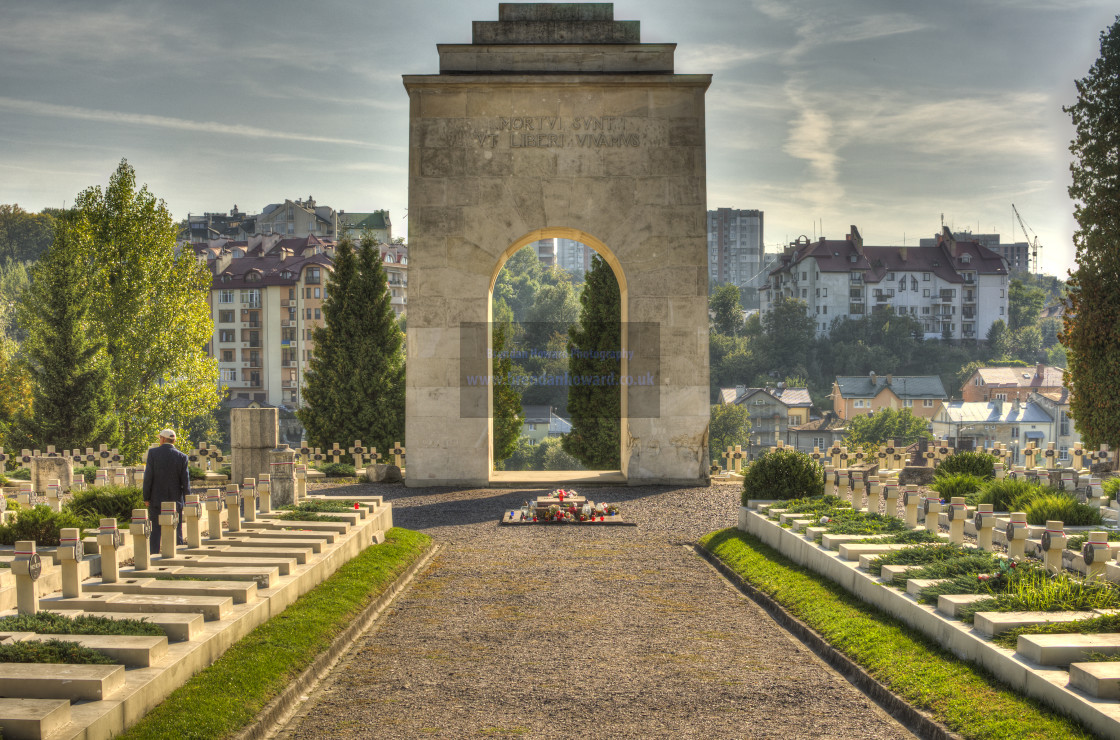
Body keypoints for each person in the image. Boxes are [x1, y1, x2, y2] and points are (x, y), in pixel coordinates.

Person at [142, 428, 190, 554]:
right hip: (175, 498)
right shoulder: (182, 457)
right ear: (173, 440)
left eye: (160, 438)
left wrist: (146, 497)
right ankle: (177, 552)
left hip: (156, 497)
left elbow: (148, 477)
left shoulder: (153, 453)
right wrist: (188, 500)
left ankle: (154, 553)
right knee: (176, 526)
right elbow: (185, 481)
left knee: (155, 529)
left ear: (163, 439)